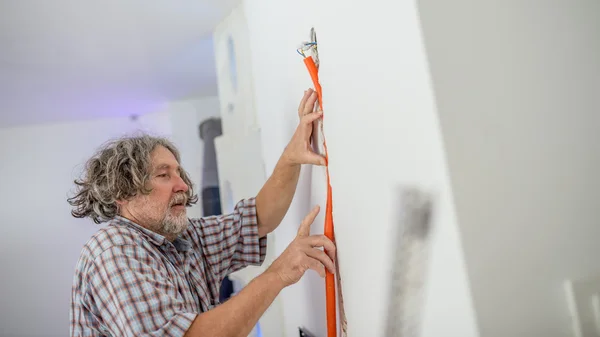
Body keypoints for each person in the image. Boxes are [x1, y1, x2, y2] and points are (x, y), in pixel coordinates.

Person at [68, 89, 336, 337]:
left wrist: (291, 157)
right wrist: (279, 273)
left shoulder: (182, 237)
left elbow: (258, 220)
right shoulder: (113, 250)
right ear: (123, 192)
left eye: (178, 173)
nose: (183, 185)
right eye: (164, 175)